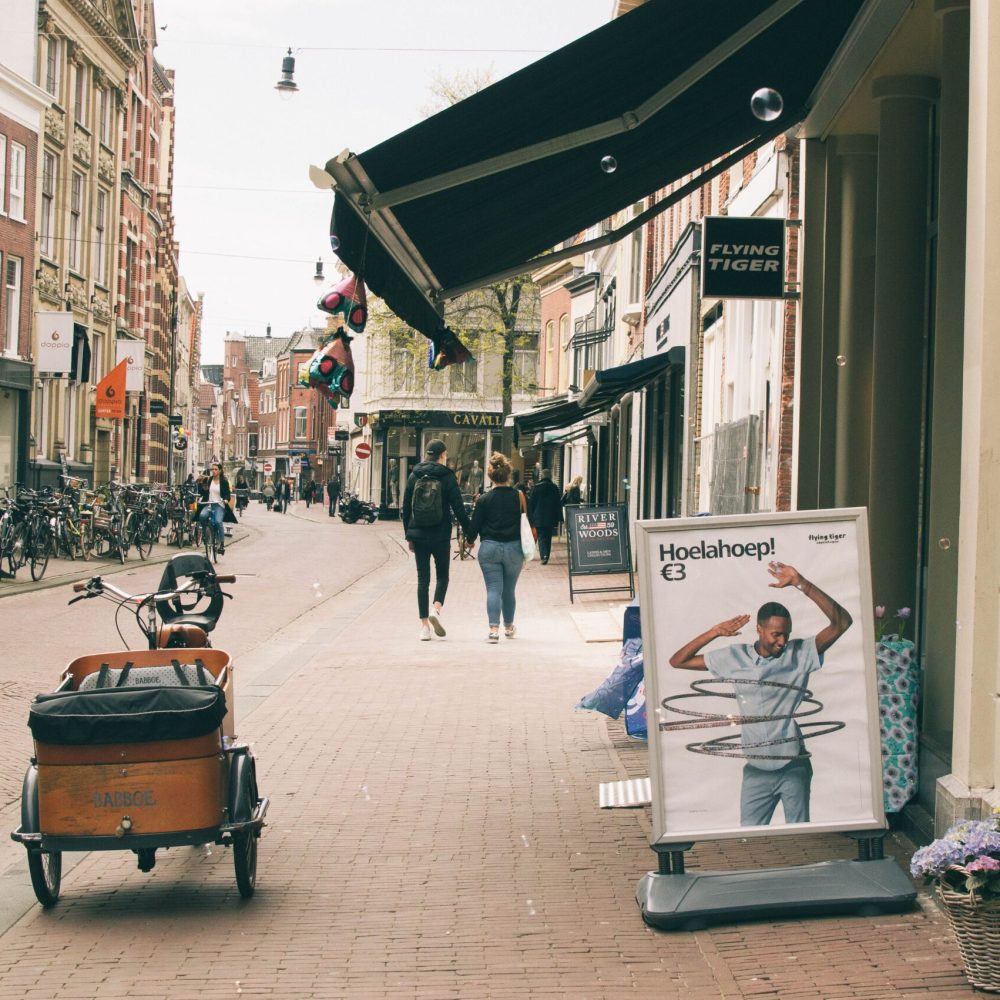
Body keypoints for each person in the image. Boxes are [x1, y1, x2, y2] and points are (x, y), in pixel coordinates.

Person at [668, 560, 853, 827]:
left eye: (786, 635)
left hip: (793, 765)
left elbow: (842, 622)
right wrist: (713, 633)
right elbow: (678, 661)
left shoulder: (800, 654)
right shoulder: (734, 657)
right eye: (776, 634)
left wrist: (802, 583)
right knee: (749, 840)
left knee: (799, 837)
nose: (782, 641)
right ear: (759, 629)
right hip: (755, 769)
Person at [402, 438, 473, 642]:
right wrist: (469, 533)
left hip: (418, 535)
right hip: (440, 535)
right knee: (443, 576)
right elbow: (458, 508)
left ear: (426, 454)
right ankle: (436, 608)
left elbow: (405, 508)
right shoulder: (447, 476)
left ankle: (424, 627)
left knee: (422, 580)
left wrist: (409, 534)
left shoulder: (414, 475)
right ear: (442, 455)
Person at [465, 452, 531, 644]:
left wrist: (469, 540)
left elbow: (474, 525)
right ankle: (509, 627)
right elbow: (528, 520)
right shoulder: (518, 496)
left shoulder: (484, 499)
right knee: (509, 590)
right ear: (508, 475)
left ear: (491, 476)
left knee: (494, 590)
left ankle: (493, 630)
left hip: (490, 548)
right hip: (514, 549)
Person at [197, 462, 233, 555]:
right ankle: (206, 534)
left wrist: (225, 500)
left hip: (219, 505)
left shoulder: (223, 481)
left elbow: (227, 494)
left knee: (218, 522)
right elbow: (204, 492)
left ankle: (221, 543)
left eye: (216, 469)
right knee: (202, 516)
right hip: (209, 504)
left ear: (220, 471)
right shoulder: (209, 480)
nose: (214, 471)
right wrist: (200, 483)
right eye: (212, 469)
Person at [527, 469, 562, 564]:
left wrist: (530, 517)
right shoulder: (554, 487)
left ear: (541, 477)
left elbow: (531, 503)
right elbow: (558, 503)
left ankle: (544, 556)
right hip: (550, 517)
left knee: (541, 537)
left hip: (538, 517)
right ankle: (547, 555)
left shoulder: (536, 488)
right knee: (548, 536)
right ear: (550, 476)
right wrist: (560, 517)